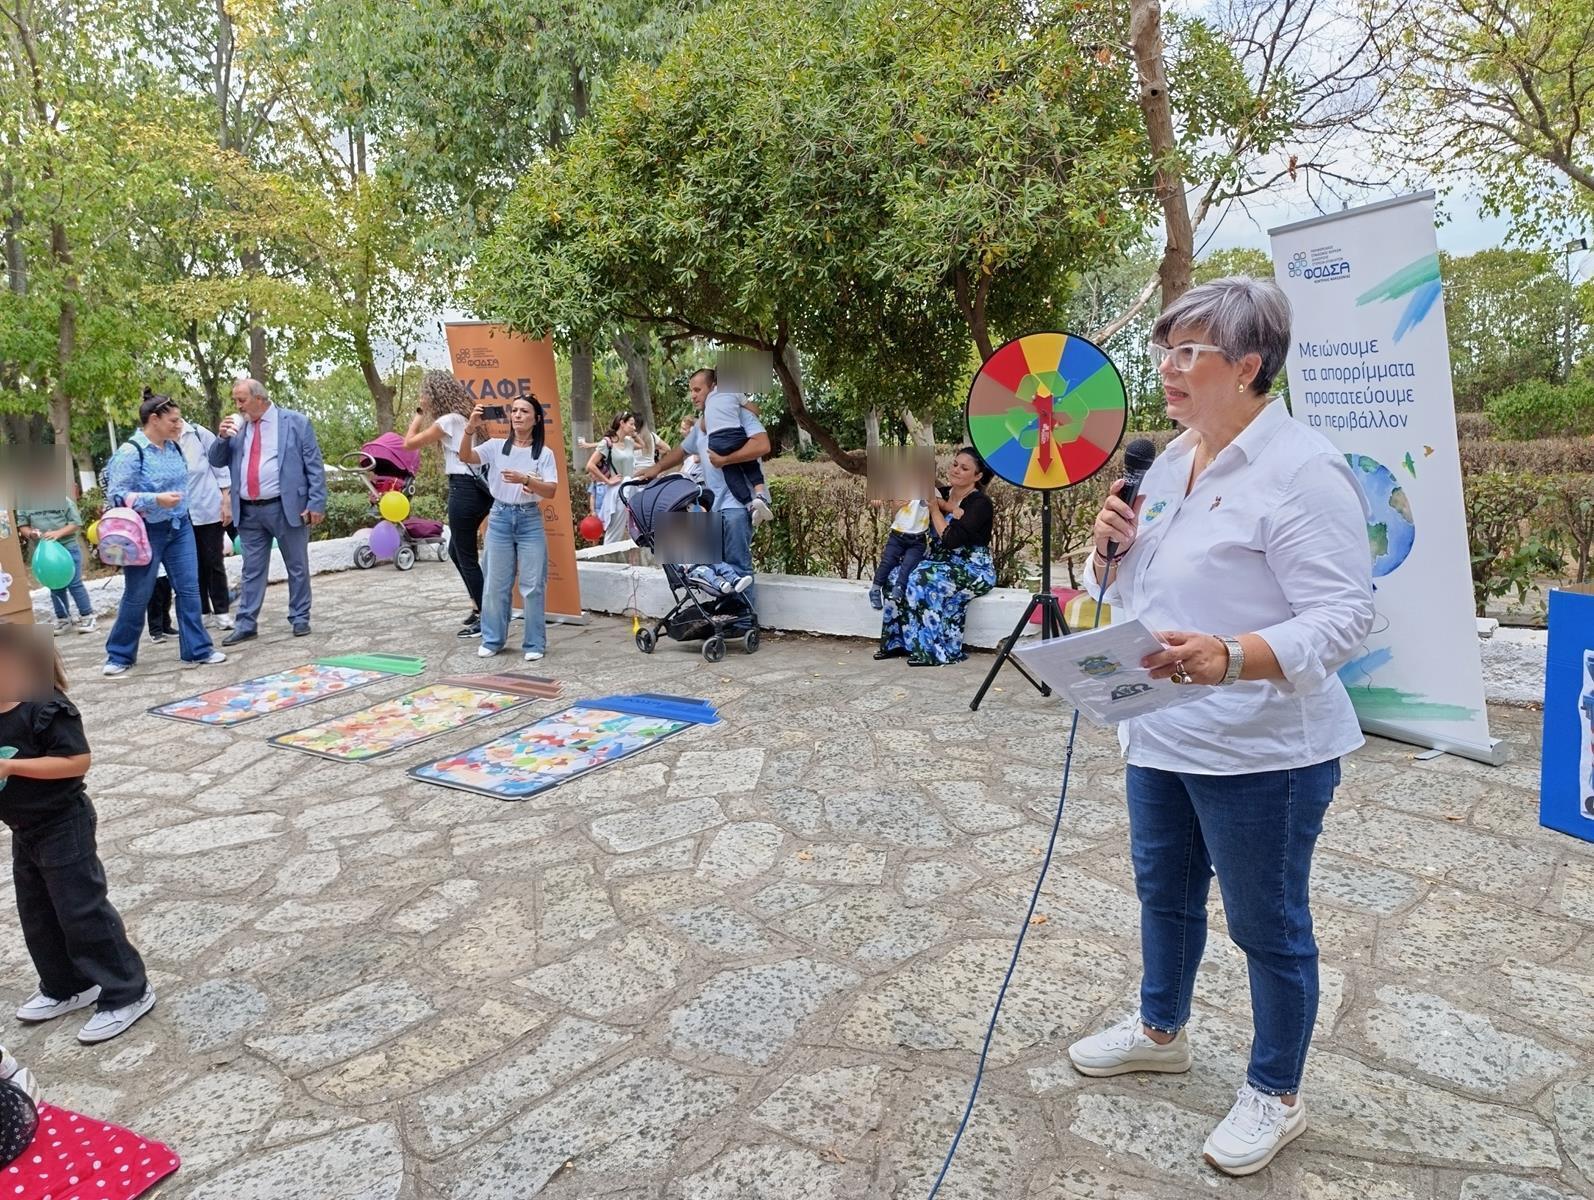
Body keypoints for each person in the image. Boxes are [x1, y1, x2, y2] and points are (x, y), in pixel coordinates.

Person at [1065, 277, 1375, 1177]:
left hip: (1262, 748)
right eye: (1165, 349)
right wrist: (1105, 552)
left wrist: (1234, 655)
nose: (1167, 367)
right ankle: (1161, 1028)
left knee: (1267, 924)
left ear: (1248, 366)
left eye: (1189, 351)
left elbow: (1344, 616)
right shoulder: (1170, 462)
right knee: (1163, 892)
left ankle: (1275, 1092)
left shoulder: (1303, 471)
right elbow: (1129, 592)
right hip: (1158, 729)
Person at [0, 628, 155, 1044]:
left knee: (81, 909)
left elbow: (76, 760)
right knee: (39, 912)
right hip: (24, 829)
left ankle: (128, 990)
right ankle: (67, 985)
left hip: (63, 823)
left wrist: (13, 768)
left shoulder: (45, 706)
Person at [101, 391, 227, 677]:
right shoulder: (131, 452)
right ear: (154, 419)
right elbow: (117, 496)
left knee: (189, 589)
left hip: (180, 526)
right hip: (145, 532)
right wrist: (154, 500)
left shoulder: (174, 448)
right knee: (138, 593)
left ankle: (198, 649)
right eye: (173, 419)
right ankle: (119, 654)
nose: (179, 424)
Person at [638, 373, 771, 610]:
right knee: (699, 557)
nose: (693, 396)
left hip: (738, 504)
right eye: (692, 390)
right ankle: (721, 616)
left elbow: (762, 445)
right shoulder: (702, 424)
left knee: (737, 565)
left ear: (713, 388)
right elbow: (682, 450)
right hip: (712, 504)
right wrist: (657, 468)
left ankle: (744, 620)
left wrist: (726, 459)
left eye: (698, 390)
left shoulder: (740, 415)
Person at [210, 377, 327, 645]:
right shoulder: (237, 429)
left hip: (286, 507)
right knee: (251, 569)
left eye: (242, 400)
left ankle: (299, 618)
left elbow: (314, 466)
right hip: (249, 511)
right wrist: (221, 438)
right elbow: (216, 461)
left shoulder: (295, 423)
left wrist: (316, 502)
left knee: (296, 566)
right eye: (235, 400)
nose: (237, 406)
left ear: (260, 399)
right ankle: (246, 623)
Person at [874, 448, 996, 666]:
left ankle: (930, 652)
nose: (956, 470)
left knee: (922, 577)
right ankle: (898, 643)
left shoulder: (980, 504)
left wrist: (935, 510)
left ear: (978, 476)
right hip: (937, 561)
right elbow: (910, 520)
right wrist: (899, 505)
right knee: (894, 576)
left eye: (964, 468)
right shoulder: (941, 492)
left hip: (972, 567)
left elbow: (951, 540)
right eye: (955, 464)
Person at [458, 395, 558, 662]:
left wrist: (526, 480)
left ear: (536, 419)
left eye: (524, 411)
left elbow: (551, 489)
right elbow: (465, 455)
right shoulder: (495, 446)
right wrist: (471, 426)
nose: (517, 415)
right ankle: (493, 639)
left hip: (529, 520)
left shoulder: (544, 454)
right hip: (500, 518)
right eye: (514, 410)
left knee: (533, 584)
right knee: (495, 584)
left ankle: (534, 643)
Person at [402, 370, 491, 639]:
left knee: (466, 555)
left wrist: (418, 413)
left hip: (463, 489)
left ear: (433, 395)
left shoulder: (447, 421)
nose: (424, 398)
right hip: (477, 488)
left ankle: (487, 618)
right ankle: (479, 607)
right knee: (455, 550)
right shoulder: (463, 418)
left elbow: (408, 444)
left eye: (425, 394)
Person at [144, 414, 233, 636]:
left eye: (175, 418)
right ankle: (202, 611)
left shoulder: (199, 434)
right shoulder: (160, 442)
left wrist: (226, 501)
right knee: (191, 566)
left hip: (207, 508)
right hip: (179, 514)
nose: (174, 424)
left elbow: (220, 468)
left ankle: (222, 610)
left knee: (213, 561)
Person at [16, 473, 95, 636]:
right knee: (54, 586)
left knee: (74, 583)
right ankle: (63, 619)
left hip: (67, 548)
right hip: (46, 553)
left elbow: (75, 523)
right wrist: (32, 533)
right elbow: (23, 525)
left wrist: (58, 533)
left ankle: (87, 616)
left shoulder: (63, 500)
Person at [700, 369, 774, 523]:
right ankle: (760, 496)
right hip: (733, 435)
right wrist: (757, 411)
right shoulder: (734, 391)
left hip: (715, 442)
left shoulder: (709, 399)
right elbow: (753, 409)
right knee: (750, 464)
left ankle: (749, 505)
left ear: (714, 383)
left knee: (731, 474)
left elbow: (704, 425)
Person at [868, 485, 931, 612]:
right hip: (897, 536)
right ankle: (875, 588)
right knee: (887, 561)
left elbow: (942, 504)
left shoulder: (931, 492)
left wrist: (954, 509)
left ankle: (899, 588)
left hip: (918, 540)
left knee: (909, 564)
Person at [586, 413, 637, 544]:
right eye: (631, 424)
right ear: (622, 423)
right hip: (618, 490)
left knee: (634, 529)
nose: (633, 427)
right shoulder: (607, 443)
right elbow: (590, 465)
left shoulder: (629, 442)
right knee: (615, 530)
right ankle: (608, 559)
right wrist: (607, 480)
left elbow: (644, 446)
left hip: (631, 487)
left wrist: (634, 434)